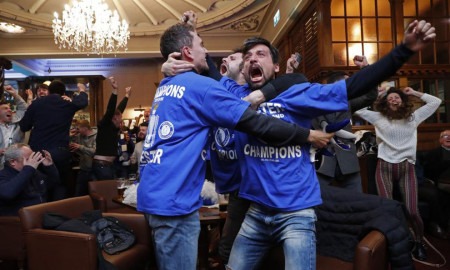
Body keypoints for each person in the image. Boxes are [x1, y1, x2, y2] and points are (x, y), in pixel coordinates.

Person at [225, 19, 435, 269]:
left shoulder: (298, 94)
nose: (252, 59)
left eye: (261, 54)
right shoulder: (237, 97)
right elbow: (207, 75)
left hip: (297, 215)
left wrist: (404, 49)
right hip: (255, 214)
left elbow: (354, 86)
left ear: (277, 66)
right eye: (248, 57)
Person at [138, 23, 333, 270]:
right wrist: (308, 135)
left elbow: (298, 80)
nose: (206, 51)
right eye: (201, 45)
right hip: (177, 201)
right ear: (187, 52)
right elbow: (255, 123)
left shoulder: (168, 84)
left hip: (157, 195)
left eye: (259, 55)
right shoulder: (206, 87)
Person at [355, 86, 441, 261]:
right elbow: (357, 108)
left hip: (406, 169)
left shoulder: (413, 117)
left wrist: (414, 92)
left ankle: (418, 242)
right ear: (386, 102)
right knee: (387, 209)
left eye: (397, 97)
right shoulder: (378, 117)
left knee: (412, 210)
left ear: (402, 101)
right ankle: (391, 243)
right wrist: (376, 94)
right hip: (384, 168)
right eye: (390, 98)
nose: (394, 100)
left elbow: (436, 101)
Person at [311, 55, 378, 192]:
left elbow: (371, 95)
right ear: (336, 86)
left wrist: (366, 69)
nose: (353, 87)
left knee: (356, 202)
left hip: (348, 162)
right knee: (319, 203)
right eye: (349, 83)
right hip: (322, 161)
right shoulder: (314, 101)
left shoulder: (348, 102)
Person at [19, 80, 88, 200]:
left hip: (38, 152)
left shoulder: (37, 104)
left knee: (38, 184)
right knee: (60, 185)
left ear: (49, 91)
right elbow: (82, 102)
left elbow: (24, 126)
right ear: (63, 93)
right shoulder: (66, 104)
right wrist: (82, 90)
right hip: (59, 151)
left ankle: (38, 214)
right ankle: (56, 214)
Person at [0, 143, 59, 216]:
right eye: (28, 159)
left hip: (41, 215)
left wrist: (49, 167)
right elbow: (7, 194)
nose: (33, 161)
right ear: (13, 162)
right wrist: (28, 170)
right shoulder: (3, 175)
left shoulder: (33, 172)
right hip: (17, 221)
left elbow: (52, 184)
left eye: (33, 157)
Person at [92, 77, 131, 180]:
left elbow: (120, 109)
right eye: (120, 118)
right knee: (107, 194)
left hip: (107, 165)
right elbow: (111, 109)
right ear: (115, 118)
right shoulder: (105, 124)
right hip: (102, 166)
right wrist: (115, 90)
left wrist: (127, 96)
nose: (122, 120)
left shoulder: (113, 127)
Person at [416, 130, 450, 239]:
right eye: (445, 136)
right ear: (440, 140)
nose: (448, 137)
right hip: (439, 181)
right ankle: (440, 224)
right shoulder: (434, 153)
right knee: (437, 193)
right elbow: (429, 171)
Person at [0, 85, 27, 169]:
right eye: (5, 108)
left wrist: (15, 94)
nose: (10, 110)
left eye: (10, 108)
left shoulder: (16, 124)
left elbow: (23, 109)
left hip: (15, 166)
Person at [69, 119, 97, 196]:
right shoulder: (79, 136)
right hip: (83, 169)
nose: (77, 130)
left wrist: (80, 147)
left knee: (94, 195)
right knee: (78, 194)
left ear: (84, 128)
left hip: (94, 170)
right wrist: (71, 137)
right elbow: (71, 145)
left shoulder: (96, 136)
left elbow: (95, 152)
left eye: (78, 128)